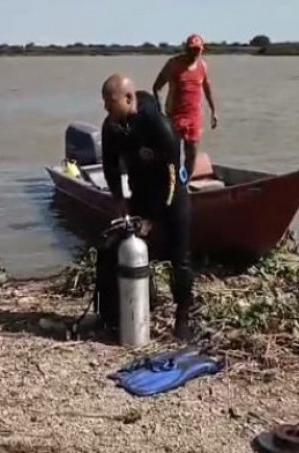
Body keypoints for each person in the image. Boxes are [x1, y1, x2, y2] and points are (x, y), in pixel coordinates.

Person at [99, 73, 196, 341]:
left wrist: (153, 218)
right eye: (104, 102)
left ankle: (183, 318)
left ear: (128, 99)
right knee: (115, 250)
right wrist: (119, 200)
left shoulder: (158, 125)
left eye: (110, 102)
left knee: (180, 261)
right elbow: (110, 167)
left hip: (172, 197)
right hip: (140, 195)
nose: (106, 108)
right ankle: (114, 316)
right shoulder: (111, 127)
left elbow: (173, 176)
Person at [152, 33, 218, 182]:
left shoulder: (203, 66)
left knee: (192, 154)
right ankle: (170, 184)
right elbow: (157, 87)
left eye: (197, 50)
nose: (194, 53)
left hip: (194, 117)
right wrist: (160, 111)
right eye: (191, 49)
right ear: (186, 48)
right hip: (175, 115)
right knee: (171, 154)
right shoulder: (174, 64)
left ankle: (184, 184)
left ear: (202, 50)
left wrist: (214, 111)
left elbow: (207, 88)